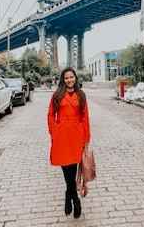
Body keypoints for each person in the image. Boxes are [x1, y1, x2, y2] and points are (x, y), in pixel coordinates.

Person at [47, 67, 91, 219]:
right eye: (66, 78)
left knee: (72, 170)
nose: (69, 80)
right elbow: (50, 115)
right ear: (63, 80)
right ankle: (74, 199)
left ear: (75, 78)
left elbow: (85, 118)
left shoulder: (81, 95)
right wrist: (54, 131)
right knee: (67, 172)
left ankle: (68, 195)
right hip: (62, 137)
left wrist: (86, 139)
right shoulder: (57, 95)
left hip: (76, 137)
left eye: (71, 77)